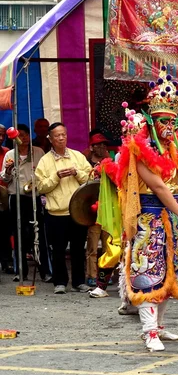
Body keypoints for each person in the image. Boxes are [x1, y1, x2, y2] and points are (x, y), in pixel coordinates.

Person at [116, 68, 178, 351]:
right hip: (149, 218)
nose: (169, 125)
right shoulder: (139, 150)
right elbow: (160, 187)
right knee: (149, 271)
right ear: (152, 121)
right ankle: (148, 331)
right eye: (163, 120)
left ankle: (159, 326)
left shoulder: (173, 149)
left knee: (171, 273)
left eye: (173, 120)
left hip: (171, 217)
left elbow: (176, 183)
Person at [35, 122, 93, 294]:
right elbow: (40, 187)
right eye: (57, 136)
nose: (61, 138)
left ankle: (78, 282)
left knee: (77, 249)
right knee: (58, 249)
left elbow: (90, 179)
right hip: (56, 212)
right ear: (50, 139)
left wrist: (77, 173)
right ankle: (60, 282)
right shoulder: (44, 161)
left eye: (63, 135)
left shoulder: (77, 156)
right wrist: (56, 176)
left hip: (77, 212)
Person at [0, 124, 50, 282]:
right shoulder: (10, 154)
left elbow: (45, 173)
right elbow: (5, 179)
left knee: (39, 234)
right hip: (16, 197)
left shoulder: (38, 152)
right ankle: (20, 271)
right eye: (19, 135)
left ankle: (45, 272)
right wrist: (8, 170)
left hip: (34, 196)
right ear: (13, 138)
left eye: (26, 134)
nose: (23, 138)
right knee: (18, 234)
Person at [85, 132, 112, 287]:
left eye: (104, 145)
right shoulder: (86, 163)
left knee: (109, 246)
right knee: (93, 246)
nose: (101, 147)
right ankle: (91, 275)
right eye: (98, 145)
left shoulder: (110, 162)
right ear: (92, 147)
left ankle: (106, 275)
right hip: (93, 210)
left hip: (108, 209)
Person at [0, 123, 12, 275]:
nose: (1, 138)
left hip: (4, 195)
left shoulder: (8, 152)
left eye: (3, 135)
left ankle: (7, 261)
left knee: (4, 230)